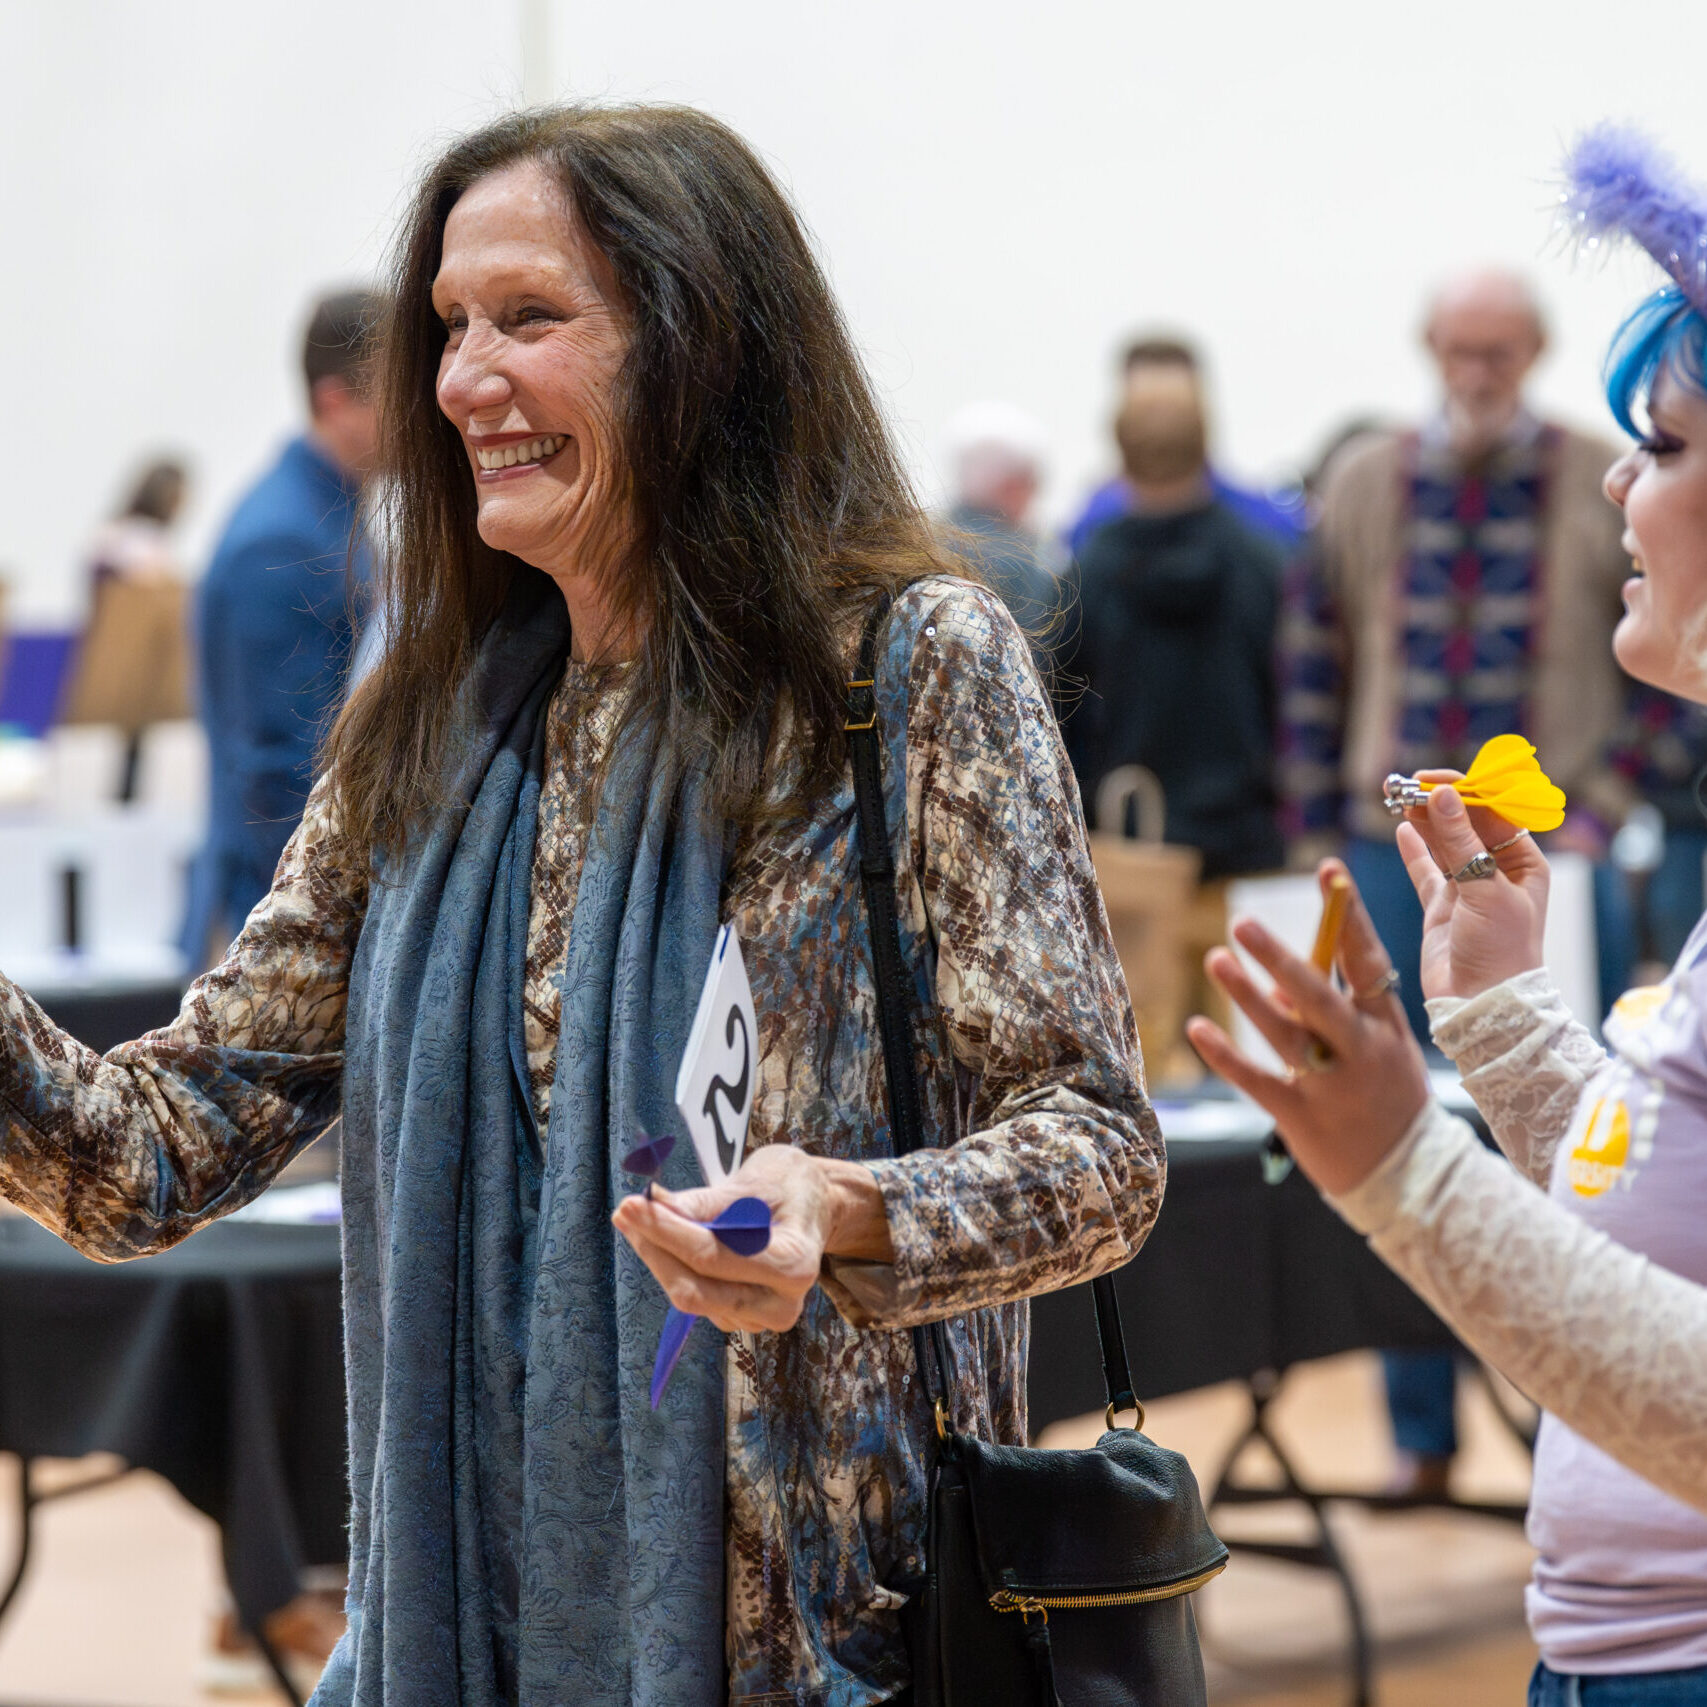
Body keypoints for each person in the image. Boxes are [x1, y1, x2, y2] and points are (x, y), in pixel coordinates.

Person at [0, 104, 1161, 1707]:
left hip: (824, 1644)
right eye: (449, 325)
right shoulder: (430, 724)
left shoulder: (901, 664)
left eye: (529, 317)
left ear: (699, 344)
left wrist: (837, 1208)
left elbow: (1098, 1153)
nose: (462, 380)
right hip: (468, 1631)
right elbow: (147, 1156)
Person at [1190, 127, 1707, 1704]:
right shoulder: (1365, 480)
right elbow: (1652, 1205)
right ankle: (1414, 1441)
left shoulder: (1555, 489)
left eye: (1663, 446)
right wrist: (1502, 1013)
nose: (1620, 475)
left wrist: (1404, 1168)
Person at [1279, 267, 1636, 1497]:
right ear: (1430, 348)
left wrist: (1612, 801)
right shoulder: (1364, 479)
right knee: (1399, 1109)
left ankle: (1577, 1419)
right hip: (1388, 845)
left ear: (1534, 351)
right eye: (1459, 349)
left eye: (1500, 351)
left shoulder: (1595, 476)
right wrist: (1309, 821)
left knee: (1569, 1115)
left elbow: (1652, 660)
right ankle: (1418, 1434)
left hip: (1553, 851)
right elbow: (1311, 651)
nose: (1478, 372)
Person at [180, 289, 381, 967]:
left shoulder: (333, 515)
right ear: (334, 401)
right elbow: (280, 769)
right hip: (275, 921)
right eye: (397, 395)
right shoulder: (282, 538)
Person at [1063, 365, 1284, 878]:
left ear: (1120, 448)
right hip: (1247, 841)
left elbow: (1061, 716)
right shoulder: (1260, 561)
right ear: (1206, 441)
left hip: (1131, 842)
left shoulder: (1089, 571)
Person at [1063, 335, 1305, 559]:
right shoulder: (1089, 531)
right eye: (1146, 408)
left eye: (1175, 408)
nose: (1160, 425)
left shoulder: (1263, 526)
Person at [940, 400, 1061, 647]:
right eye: (1032, 482)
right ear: (1011, 485)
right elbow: (1038, 652)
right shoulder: (1019, 562)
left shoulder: (927, 542)